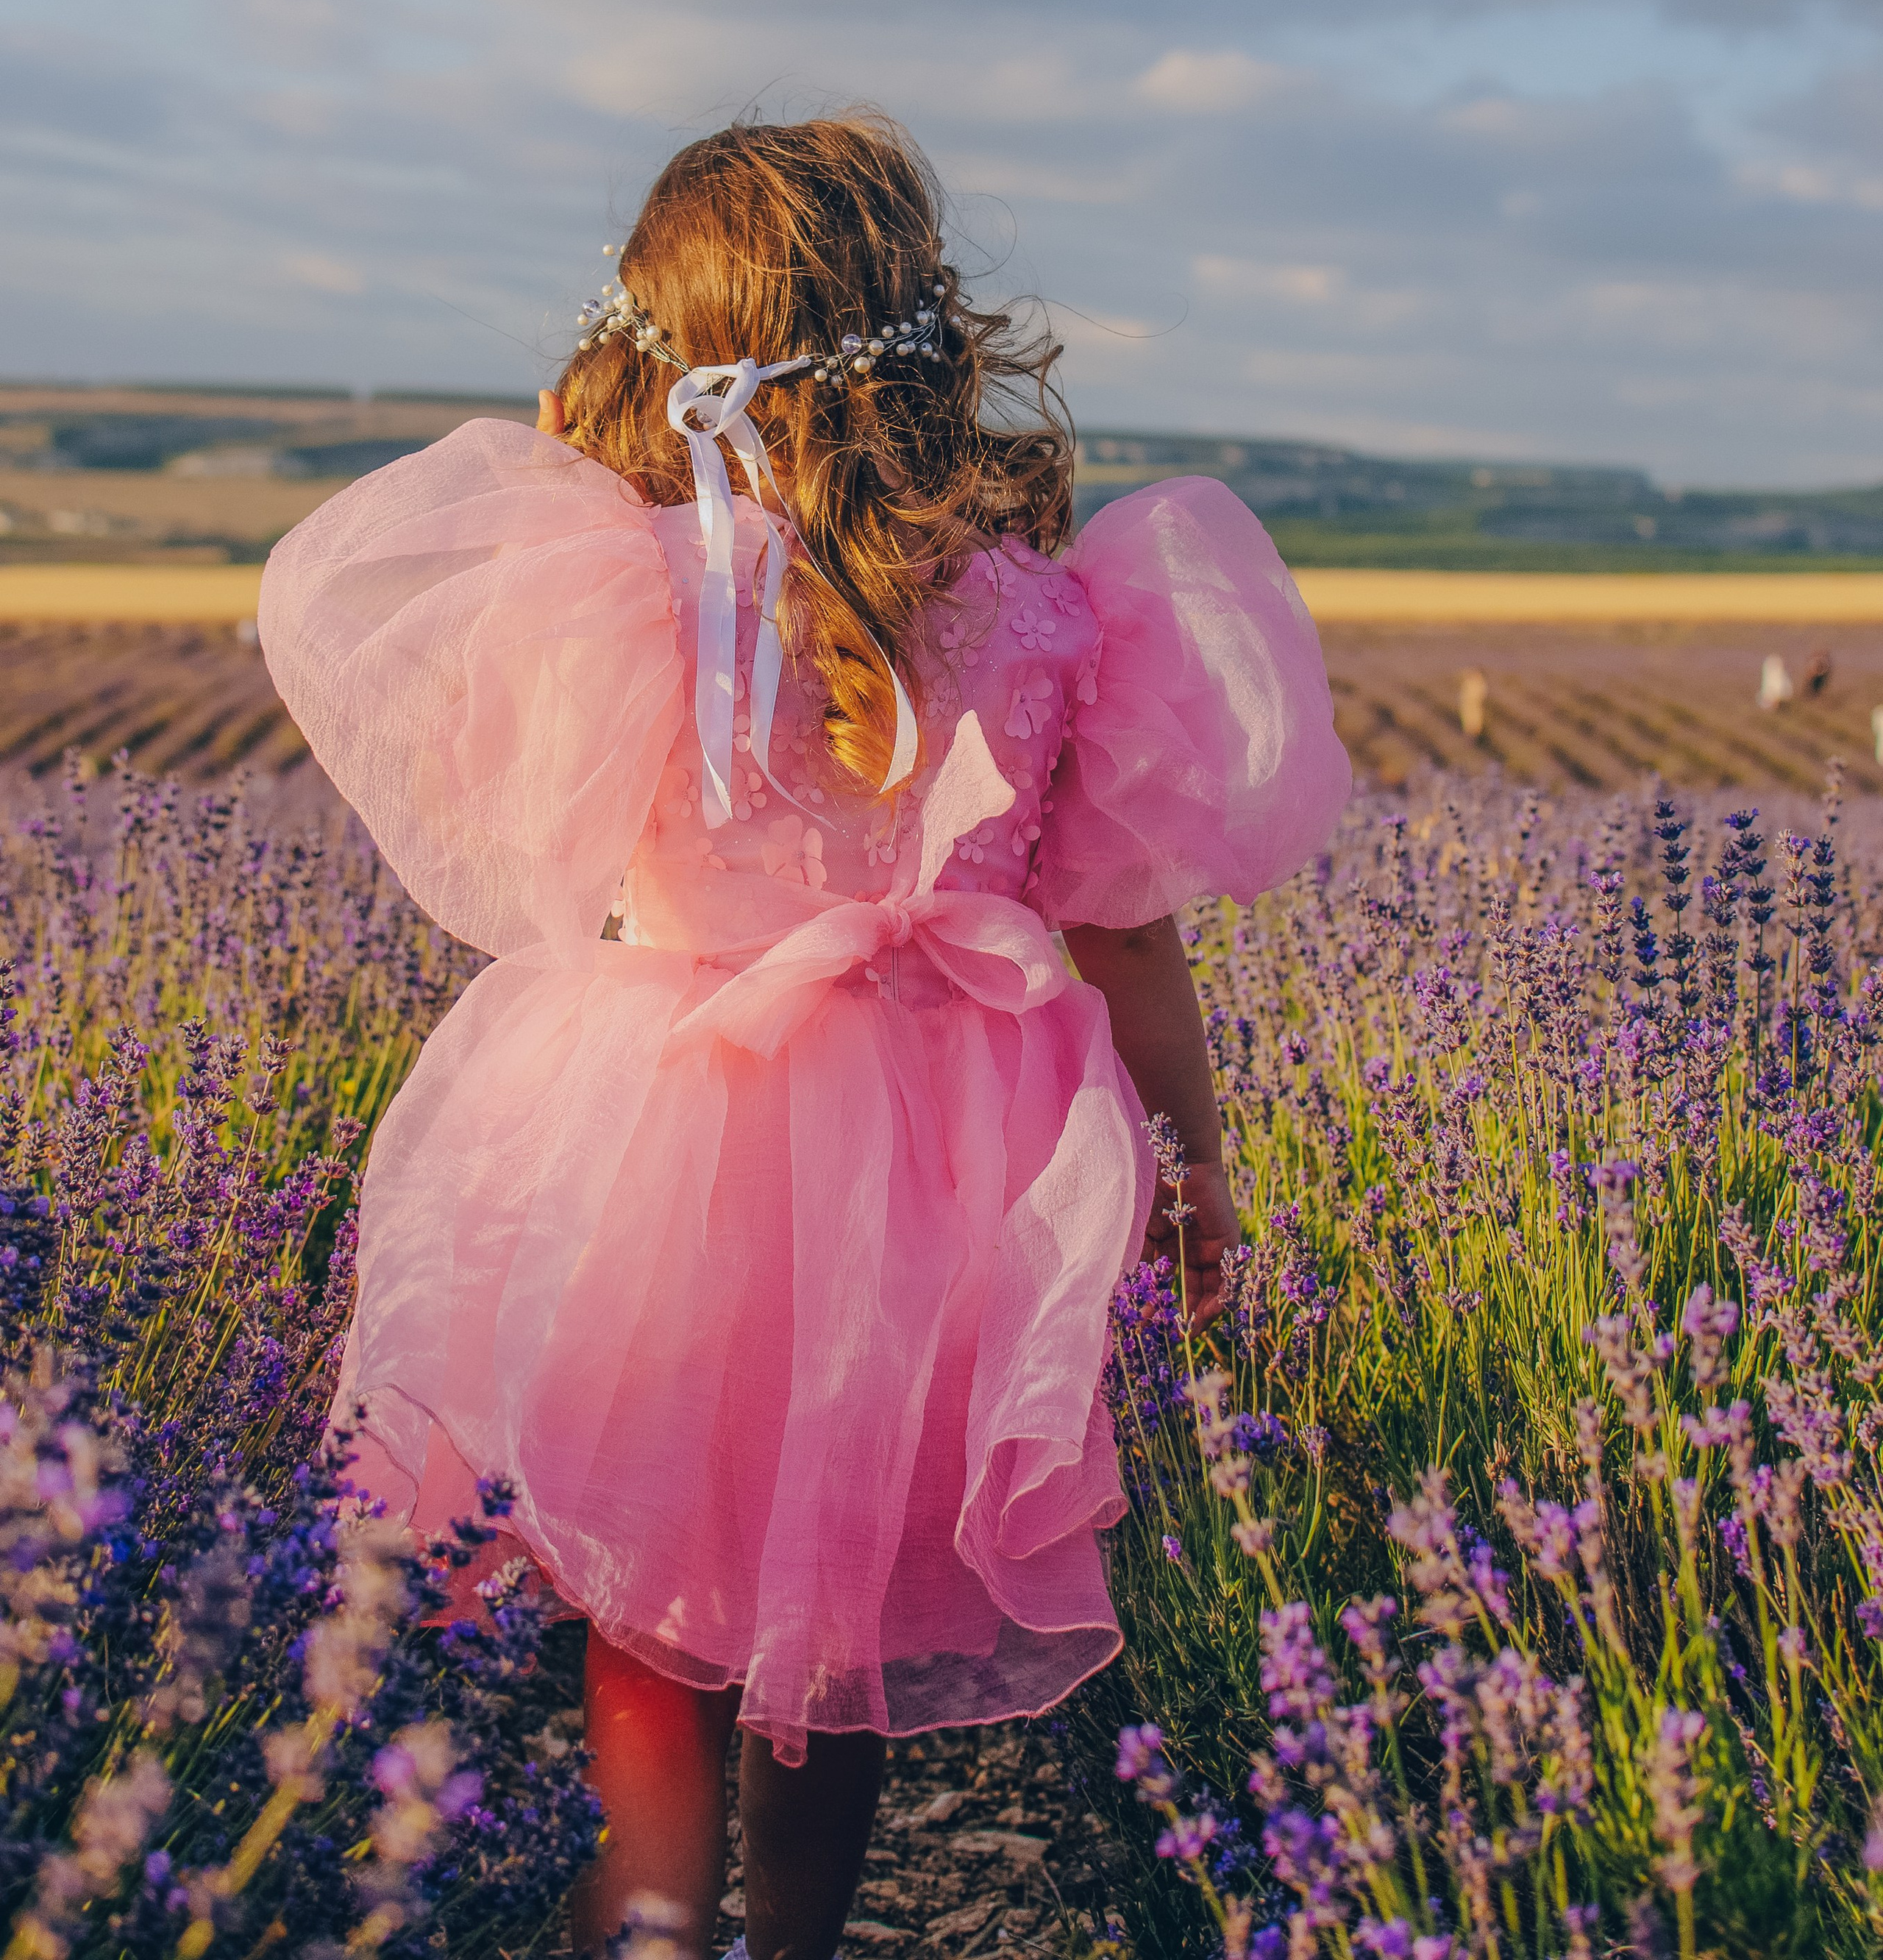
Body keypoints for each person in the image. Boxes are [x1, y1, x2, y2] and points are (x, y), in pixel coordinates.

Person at [258, 116, 1351, 1960]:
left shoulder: (619, 584)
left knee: (646, 1570)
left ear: (658, 346)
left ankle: (653, 1921)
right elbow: (1124, 919)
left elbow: (511, 831)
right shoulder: (1042, 602)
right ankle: (798, 1943)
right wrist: (1191, 1161)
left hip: (653, 1126)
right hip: (944, 1157)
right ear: (926, 337)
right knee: (839, 1604)